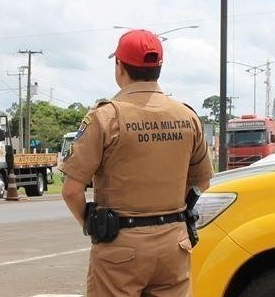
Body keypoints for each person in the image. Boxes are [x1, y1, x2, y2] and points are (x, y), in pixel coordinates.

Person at [60, 29, 213, 297]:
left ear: (119, 66)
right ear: (159, 68)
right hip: (174, 243)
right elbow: (202, 181)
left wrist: (94, 224)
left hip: (120, 245)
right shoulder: (187, 116)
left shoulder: (106, 117)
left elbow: (72, 191)